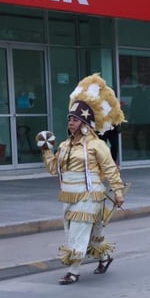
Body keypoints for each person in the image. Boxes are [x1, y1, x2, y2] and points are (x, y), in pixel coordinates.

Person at [38, 74, 126, 285]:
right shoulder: (64, 146)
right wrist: (45, 150)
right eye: (69, 119)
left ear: (85, 122)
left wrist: (118, 191)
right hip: (68, 195)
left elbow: (110, 168)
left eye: (75, 119)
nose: (71, 122)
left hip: (90, 195)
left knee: (78, 230)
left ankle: (74, 269)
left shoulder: (97, 145)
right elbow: (53, 169)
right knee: (93, 231)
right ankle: (104, 257)